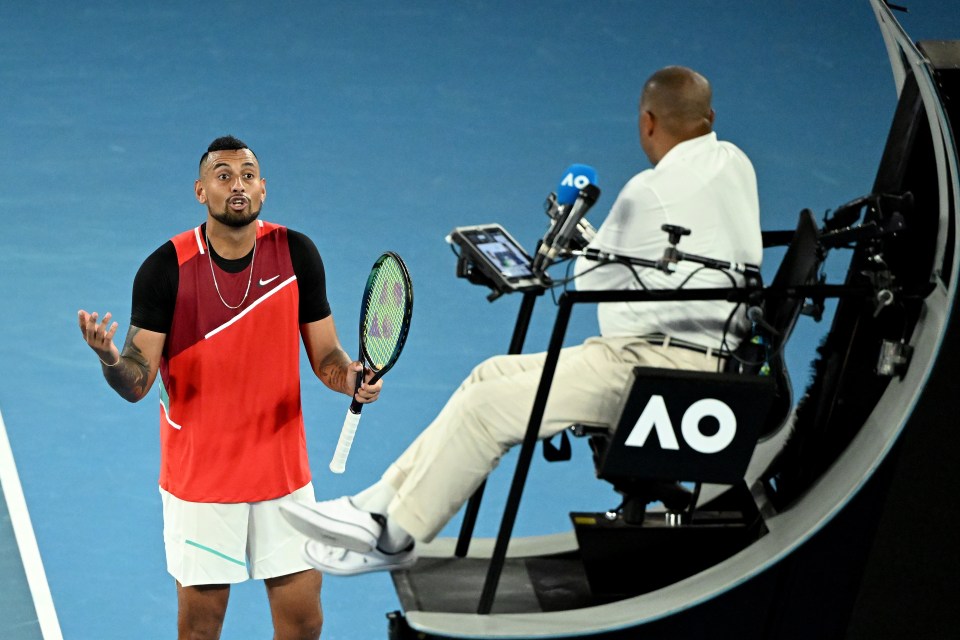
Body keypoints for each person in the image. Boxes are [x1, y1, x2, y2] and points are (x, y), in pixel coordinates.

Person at [280, 65, 763, 576]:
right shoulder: (736, 163)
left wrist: (590, 250)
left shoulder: (650, 190)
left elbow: (592, 282)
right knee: (490, 373)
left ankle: (395, 536)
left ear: (647, 121)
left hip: (661, 370)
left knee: (491, 406)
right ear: (709, 118)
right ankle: (376, 506)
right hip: (692, 352)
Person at [77, 136, 383, 639]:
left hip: (282, 474)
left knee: (305, 621)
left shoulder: (296, 253)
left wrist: (351, 378)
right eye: (223, 175)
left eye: (247, 174)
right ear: (202, 191)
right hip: (202, 482)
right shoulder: (165, 268)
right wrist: (110, 357)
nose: (236, 184)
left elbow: (327, 358)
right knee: (201, 629)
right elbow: (136, 381)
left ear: (262, 189)